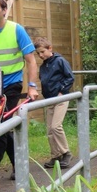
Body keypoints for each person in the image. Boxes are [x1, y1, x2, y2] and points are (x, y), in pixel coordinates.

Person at [0, 0, 39, 190]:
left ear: (4, 10)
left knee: (0, 127)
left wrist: (32, 86)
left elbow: (31, 61)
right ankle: (20, 165)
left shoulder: (16, 29)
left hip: (11, 84)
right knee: (4, 127)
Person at [35, 37, 74, 169]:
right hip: (49, 99)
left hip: (61, 97)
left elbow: (70, 77)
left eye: (42, 52)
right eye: (38, 53)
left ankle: (66, 152)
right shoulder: (43, 66)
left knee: (56, 126)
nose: (40, 55)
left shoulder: (60, 61)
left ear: (49, 48)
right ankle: (55, 155)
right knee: (50, 129)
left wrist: (62, 91)